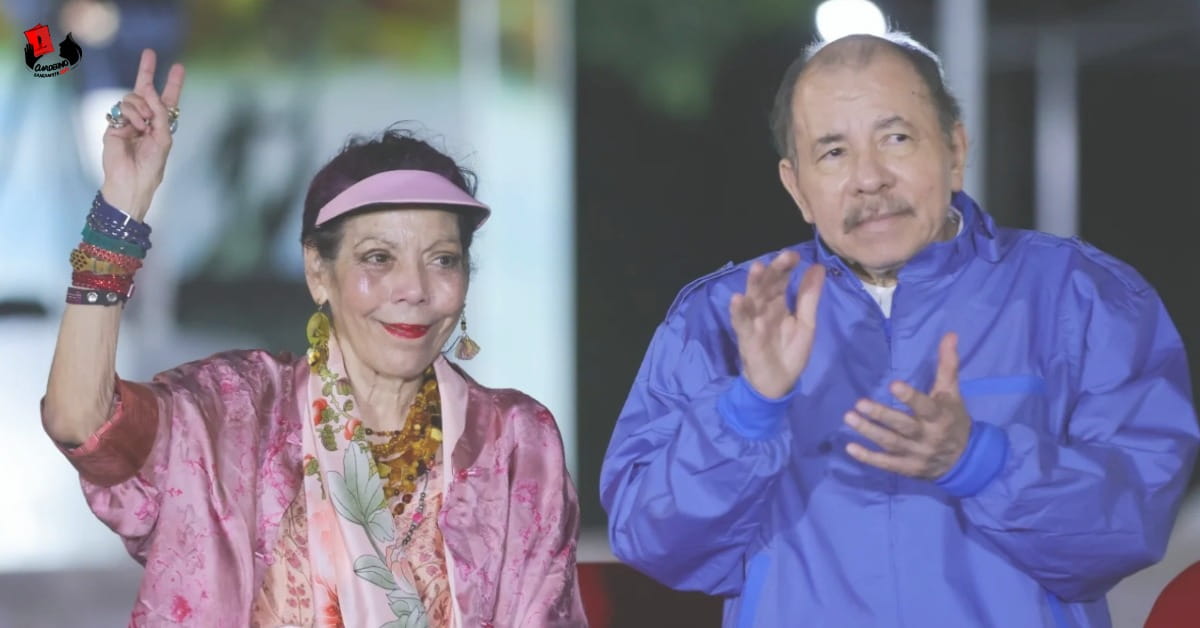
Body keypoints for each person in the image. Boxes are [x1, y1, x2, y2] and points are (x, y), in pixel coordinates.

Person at [600, 31, 1199, 627]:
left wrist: (979, 461)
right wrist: (749, 410)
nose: (870, 178)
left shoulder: (1081, 297)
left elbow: (1131, 525)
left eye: (896, 138)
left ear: (955, 151)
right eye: (833, 152)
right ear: (797, 186)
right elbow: (655, 544)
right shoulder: (724, 318)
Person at [43, 49, 586, 627]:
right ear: (317, 271)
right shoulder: (236, 413)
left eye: (442, 259)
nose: (414, 289)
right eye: (378, 257)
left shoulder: (514, 441)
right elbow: (82, 422)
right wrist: (122, 209)